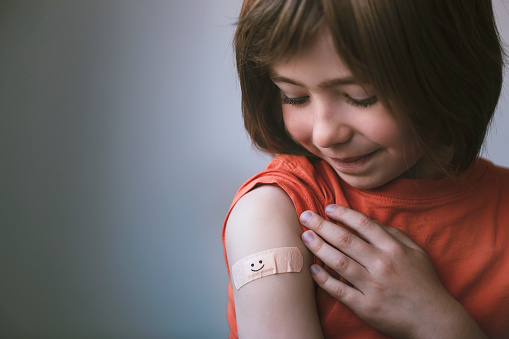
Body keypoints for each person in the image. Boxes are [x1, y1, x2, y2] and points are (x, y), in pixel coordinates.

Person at [222, 0, 509, 338]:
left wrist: (437, 321)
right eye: (294, 96)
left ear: (450, 74)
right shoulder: (271, 211)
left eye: (360, 97)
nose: (325, 133)